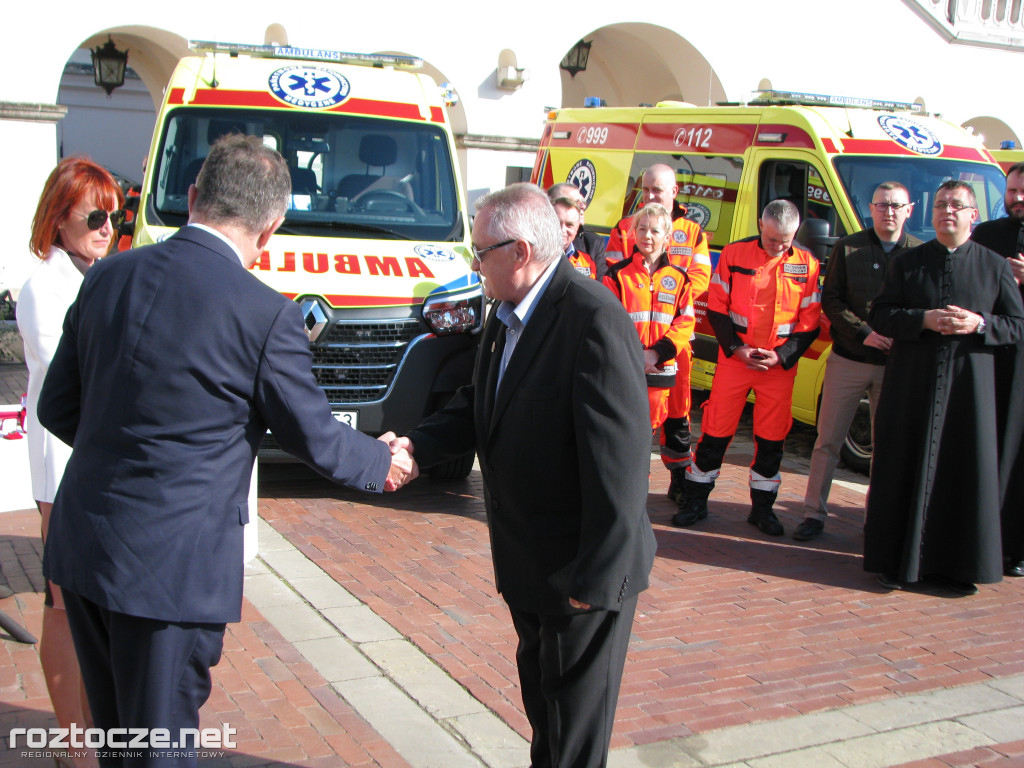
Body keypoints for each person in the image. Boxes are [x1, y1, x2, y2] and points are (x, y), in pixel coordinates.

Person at [37, 134, 417, 767]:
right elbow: (317, 438)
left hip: (85, 543)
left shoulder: (108, 275)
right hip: (167, 567)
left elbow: (57, 406)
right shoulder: (265, 314)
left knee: (116, 741)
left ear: (192, 197)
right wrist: (387, 463)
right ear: (271, 228)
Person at [389, 183, 656, 768]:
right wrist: (415, 446)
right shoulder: (507, 312)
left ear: (520, 252)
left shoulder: (593, 319)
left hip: (581, 576)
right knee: (546, 714)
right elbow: (478, 404)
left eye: (480, 251)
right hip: (530, 566)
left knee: (574, 735)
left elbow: (622, 464)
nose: (473, 263)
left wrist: (595, 582)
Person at [864, 180, 1024, 596]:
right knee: (903, 466)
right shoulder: (908, 262)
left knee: (961, 472)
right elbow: (881, 315)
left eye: (956, 205)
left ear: (974, 215)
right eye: (940, 205)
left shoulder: (994, 266)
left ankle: (956, 566)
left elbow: (1018, 326)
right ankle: (895, 563)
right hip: (911, 388)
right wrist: (923, 320)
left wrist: (980, 324)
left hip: (968, 394)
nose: (947, 211)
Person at [17, 157, 124, 768]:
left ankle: (92, 727)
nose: (107, 225)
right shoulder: (44, 288)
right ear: (59, 219)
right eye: (94, 213)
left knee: (91, 605)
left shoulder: (98, 277)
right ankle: (72, 741)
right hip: (63, 462)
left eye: (114, 213)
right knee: (62, 603)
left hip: (97, 460)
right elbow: (72, 383)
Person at [672, 199, 821, 537]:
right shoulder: (735, 255)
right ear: (760, 225)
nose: (779, 247)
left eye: (786, 241)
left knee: (772, 440)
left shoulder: (807, 264)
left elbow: (809, 322)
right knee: (715, 432)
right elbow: (717, 307)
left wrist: (782, 357)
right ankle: (696, 501)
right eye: (772, 240)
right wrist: (736, 349)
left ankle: (763, 510)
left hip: (777, 369)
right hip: (736, 361)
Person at [793, 182, 921, 541]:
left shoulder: (919, 254)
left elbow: (922, 308)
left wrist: (902, 333)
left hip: (895, 365)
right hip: (849, 358)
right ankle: (813, 514)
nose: (889, 212)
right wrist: (864, 332)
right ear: (871, 208)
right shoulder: (849, 248)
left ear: (908, 209)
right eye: (882, 205)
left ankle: (878, 517)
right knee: (827, 441)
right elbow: (831, 300)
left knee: (888, 446)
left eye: (896, 205)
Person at [606, 164, 712, 497]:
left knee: (678, 413)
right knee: (630, 418)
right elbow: (617, 279)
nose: (651, 195)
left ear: (674, 192)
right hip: (632, 347)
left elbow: (699, 281)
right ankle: (629, 486)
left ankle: (679, 476)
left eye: (658, 189)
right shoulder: (623, 227)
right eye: (647, 189)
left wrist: (667, 292)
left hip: (672, 348)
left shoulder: (693, 232)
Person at [971, 162, 1024, 577]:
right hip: (991, 356)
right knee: (986, 446)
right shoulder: (987, 235)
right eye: (1011, 191)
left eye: (1023, 192)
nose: (1017, 198)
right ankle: (980, 535)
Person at [604, 203, 695, 439]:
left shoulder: (679, 279)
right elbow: (608, 322)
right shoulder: (617, 275)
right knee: (619, 435)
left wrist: (656, 354)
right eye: (642, 228)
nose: (647, 236)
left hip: (659, 370)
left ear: (667, 237)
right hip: (625, 367)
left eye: (655, 231)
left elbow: (685, 322)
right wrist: (637, 355)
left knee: (646, 437)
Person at [547, 181, 608, 279]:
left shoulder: (593, 243)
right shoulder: (532, 246)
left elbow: (600, 288)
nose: (582, 207)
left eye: (582, 202)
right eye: (574, 202)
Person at [552, 196, 599, 279]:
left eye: (569, 225)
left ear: (577, 228)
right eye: (557, 223)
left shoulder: (586, 261)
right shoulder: (531, 257)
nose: (562, 230)